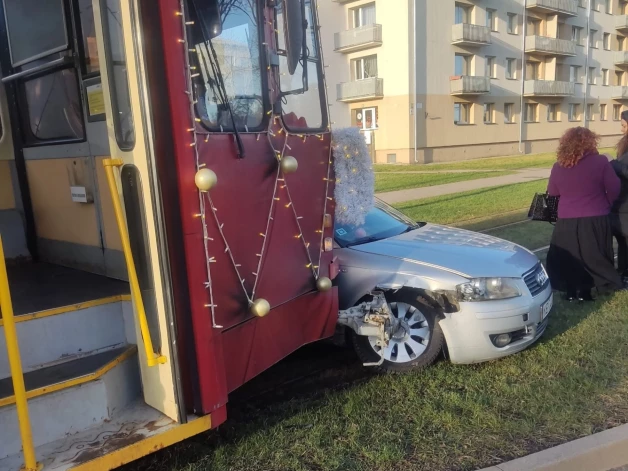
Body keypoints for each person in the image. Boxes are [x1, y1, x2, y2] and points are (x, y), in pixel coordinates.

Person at [546, 127, 623, 302]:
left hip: (566, 220)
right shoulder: (600, 162)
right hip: (595, 217)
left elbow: (552, 192)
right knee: (594, 254)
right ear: (590, 142)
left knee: (570, 256)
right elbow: (614, 187)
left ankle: (571, 292)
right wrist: (606, 204)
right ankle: (587, 292)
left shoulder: (558, 166)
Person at [608, 110, 628, 280]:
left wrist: (614, 164)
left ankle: (624, 273)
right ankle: (622, 272)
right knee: (622, 242)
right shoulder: (624, 145)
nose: (622, 130)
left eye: (624, 126)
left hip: (625, 205)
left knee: (625, 242)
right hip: (619, 202)